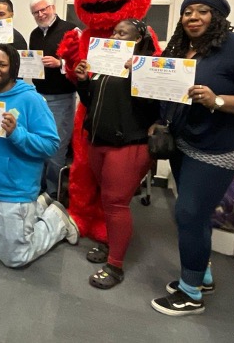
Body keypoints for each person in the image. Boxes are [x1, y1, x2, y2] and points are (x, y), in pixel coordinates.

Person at [150, 0, 234, 316]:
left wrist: (219, 101)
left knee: (189, 213)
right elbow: (163, 83)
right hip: (184, 139)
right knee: (195, 214)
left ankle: (190, 294)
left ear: (218, 16)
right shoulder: (181, 45)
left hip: (220, 145)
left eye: (202, 11)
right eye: (187, 12)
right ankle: (202, 273)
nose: (192, 17)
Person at [0, 44, 79, 268]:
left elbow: (51, 146)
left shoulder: (32, 100)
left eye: (2, 64)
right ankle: (38, 206)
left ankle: (57, 219)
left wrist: (16, 133)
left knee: (14, 258)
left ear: (14, 68)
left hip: (12, 191)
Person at [74, 19, 159, 289]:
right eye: (114, 31)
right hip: (99, 141)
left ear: (138, 40)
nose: (115, 35)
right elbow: (90, 101)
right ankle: (111, 244)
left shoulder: (146, 67)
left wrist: (138, 73)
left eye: (123, 33)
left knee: (116, 202)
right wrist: (82, 81)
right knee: (106, 198)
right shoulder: (104, 63)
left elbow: (153, 106)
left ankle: (115, 266)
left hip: (129, 145)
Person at [28, 0, 78, 195]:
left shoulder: (71, 30)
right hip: (38, 96)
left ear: (53, 7)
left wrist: (61, 64)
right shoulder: (34, 34)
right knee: (38, 145)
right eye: (36, 12)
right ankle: (38, 190)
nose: (41, 14)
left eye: (44, 9)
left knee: (56, 148)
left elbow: (83, 62)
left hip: (62, 97)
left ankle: (52, 193)